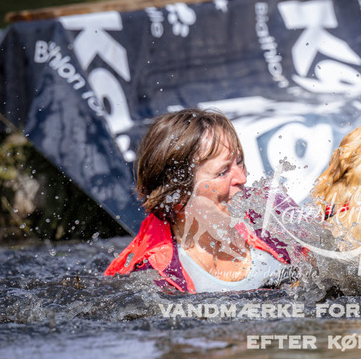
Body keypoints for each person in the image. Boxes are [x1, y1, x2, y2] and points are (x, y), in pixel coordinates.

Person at [104, 109, 296, 293]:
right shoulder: (148, 275)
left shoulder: (273, 216)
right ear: (179, 196)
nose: (242, 177)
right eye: (223, 172)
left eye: (239, 162)